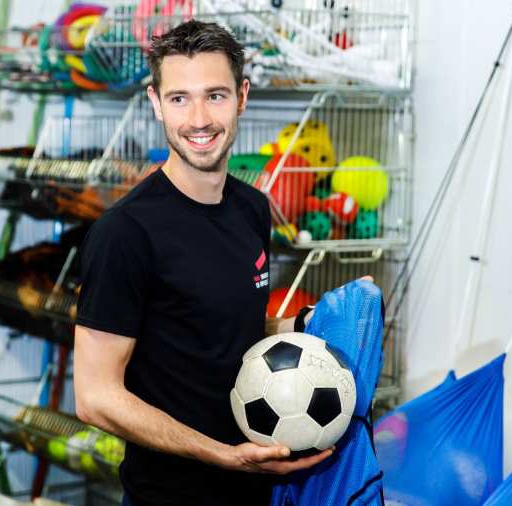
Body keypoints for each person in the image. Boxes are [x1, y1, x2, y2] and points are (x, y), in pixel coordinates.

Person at [74, 20, 335, 506]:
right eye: (179, 98)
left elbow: (222, 323)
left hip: (259, 487)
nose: (198, 119)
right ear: (155, 103)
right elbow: (95, 397)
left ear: (242, 96)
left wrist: (314, 321)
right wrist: (220, 454)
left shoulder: (252, 209)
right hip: (170, 495)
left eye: (215, 95)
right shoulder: (125, 233)